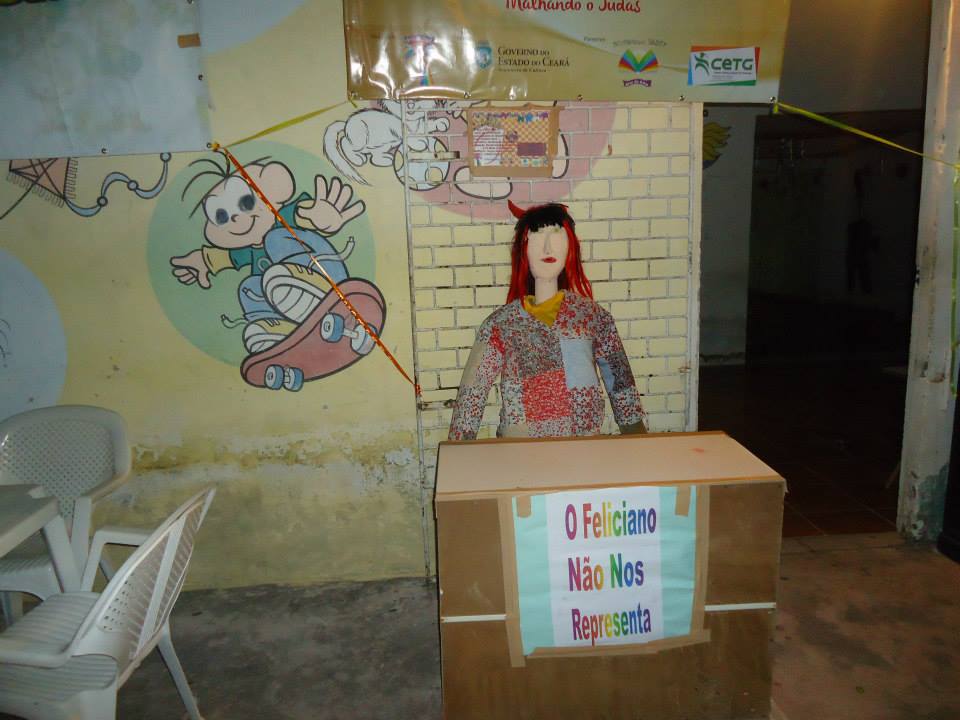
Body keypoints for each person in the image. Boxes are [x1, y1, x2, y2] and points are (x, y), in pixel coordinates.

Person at [448, 201, 646, 440]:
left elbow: (621, 384)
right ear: (523, 249)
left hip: (582, 444)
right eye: (537, 236)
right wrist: (459, 447)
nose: (547, 246)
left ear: (570, 246)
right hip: (521, 447)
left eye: (556, 234)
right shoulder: (501, 325)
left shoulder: (592, 318)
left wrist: (636, 438)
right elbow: (473, 392)